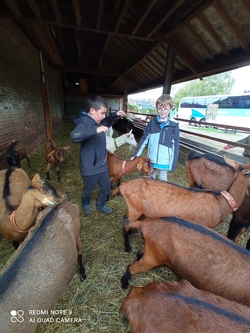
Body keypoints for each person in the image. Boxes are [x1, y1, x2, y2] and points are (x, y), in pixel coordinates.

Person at [70, 95, 126, 215]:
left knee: (105, 187)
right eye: (102, 113)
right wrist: (95, 130)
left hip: (102, 165)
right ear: (92, 111)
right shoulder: (84, 123)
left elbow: (105, 122)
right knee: (88, 189)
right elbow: (74, 136)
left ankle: (100, 204)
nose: (103, 116)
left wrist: (115, 115)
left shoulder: (97, 121)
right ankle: (85, 203)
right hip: (90, 167)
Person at [132, 94, 179, 181]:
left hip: (165, 160)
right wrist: (136, 154)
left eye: (166, 109)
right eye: (160, 109)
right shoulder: (152, 123)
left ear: (171, 108)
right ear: (157, 108)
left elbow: (175, 145)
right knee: (150, 178)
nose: (162, 111)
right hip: (152, 159)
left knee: (162, 179)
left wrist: (173, 164)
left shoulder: (174, 125)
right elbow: (144, 138)